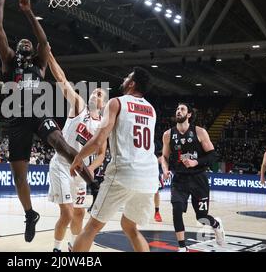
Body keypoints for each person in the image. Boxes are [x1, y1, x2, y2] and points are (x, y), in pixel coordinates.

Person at [0, 0, 92, 242]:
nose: (26, 43)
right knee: (19, 176)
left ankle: (96, 185)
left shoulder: (40, 63)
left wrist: (29, 13)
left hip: (39, 113)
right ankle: (30, 215)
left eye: (29, 42)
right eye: (22, 42)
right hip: (16, 119)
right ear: (16, 49)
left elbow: (45, 43)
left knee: (64, 146)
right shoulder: (9, 61)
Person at [70, 67, 160, 252]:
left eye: (128, 77)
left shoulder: (117, 102)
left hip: (124, 173)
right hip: (149, 178)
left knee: (92, 227)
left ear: (132, 83)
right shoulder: (151, 110)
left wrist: (79, 157)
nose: (125, 78)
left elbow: (99, 139)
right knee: (130, 227)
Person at [46, 52, 107, 252]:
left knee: (79, 214)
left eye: (99, 94)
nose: (94, 94)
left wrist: (88, 168)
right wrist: (49, 55)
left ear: (103, 104)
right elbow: (62, 79)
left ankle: (74, 247)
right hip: (62, 165)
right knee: (68, 214)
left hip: (80, 171)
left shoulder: (102, 126)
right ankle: (56, 249)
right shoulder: (79, 106)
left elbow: (101, 155)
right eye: (94, 92)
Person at [161, 103, 225, 252]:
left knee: (201, 218)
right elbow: (164, 157)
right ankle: (182, 247)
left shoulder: (199, 132)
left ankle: (216, 224)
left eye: (182, 109)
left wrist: (196, 162)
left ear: (189, 114)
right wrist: (165, 170)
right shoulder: (168, 134)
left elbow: (212, 155)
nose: (178, 111)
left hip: (198, 178)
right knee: (176, 209)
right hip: (180, 179)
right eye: (177, 109)